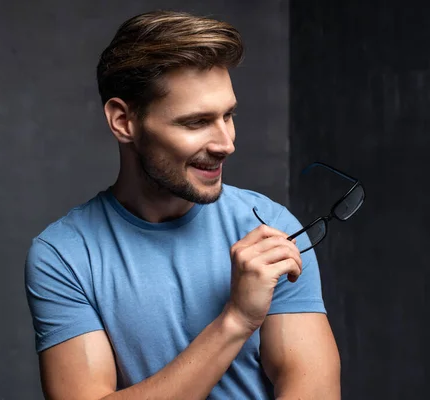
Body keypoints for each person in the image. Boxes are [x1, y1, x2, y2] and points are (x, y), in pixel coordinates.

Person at [25, 10, 341, 400]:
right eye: (196, 122)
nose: (226, 143)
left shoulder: (271, 227)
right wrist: (236, 319)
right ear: (123, 121)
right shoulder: (65, 255)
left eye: (229, 115)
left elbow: (313, 388)